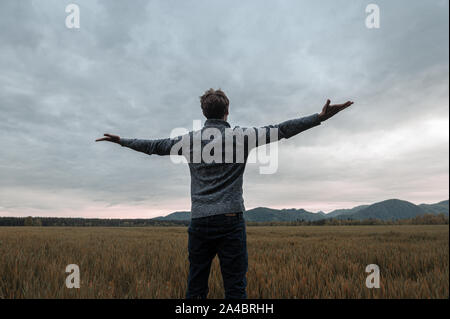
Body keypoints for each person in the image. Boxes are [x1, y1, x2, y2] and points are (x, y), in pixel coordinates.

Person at [95, 88, 353, 299]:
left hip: (199, 221)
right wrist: (319, 117)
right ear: (227, 111)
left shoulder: (189, 140)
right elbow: (283, 130)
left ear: (203, 113)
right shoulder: (241, 136)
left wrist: (122, 141)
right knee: (235, 289)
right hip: (230, 220)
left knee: (196, 288)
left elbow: (153, 146)